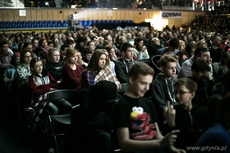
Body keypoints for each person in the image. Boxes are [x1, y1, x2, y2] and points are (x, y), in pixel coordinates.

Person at [112, 61, 185, 153]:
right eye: (143, 83)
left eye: (149, 84)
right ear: (131, 80)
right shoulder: (121, 105)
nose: (147, 88)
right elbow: (124, 144)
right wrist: (159, 143)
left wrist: (171, 147)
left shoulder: (148, 103)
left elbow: (157, 134)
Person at [164, 77, 212, 152]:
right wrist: (171, 124)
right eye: (175, 92)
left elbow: (209, 133)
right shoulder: (172, 112)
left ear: (192, 95)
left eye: (181, 92)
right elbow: (170, 140)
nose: (177, 95)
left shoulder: (202, 111)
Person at [28, 57, 72, 128]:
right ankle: (51, 128)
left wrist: (41, 86)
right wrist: (48, 88)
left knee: (68, 105)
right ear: (32, 68)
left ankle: (66, 126)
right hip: (42, 98)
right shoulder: (31, 78)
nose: (40, 68)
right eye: (37, 66)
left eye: (41, 65)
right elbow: (35, 91)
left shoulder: (47, 74)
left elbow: (55, 84)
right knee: (54, 109)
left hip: (53, 94)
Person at [151, 53, 178, 131]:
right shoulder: (157, 83)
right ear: (162, 69)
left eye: (175, 67)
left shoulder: (176, 80)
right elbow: (160, 104)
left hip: (177, 110)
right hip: (165, 114)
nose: (174, 70)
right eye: (170, 68)